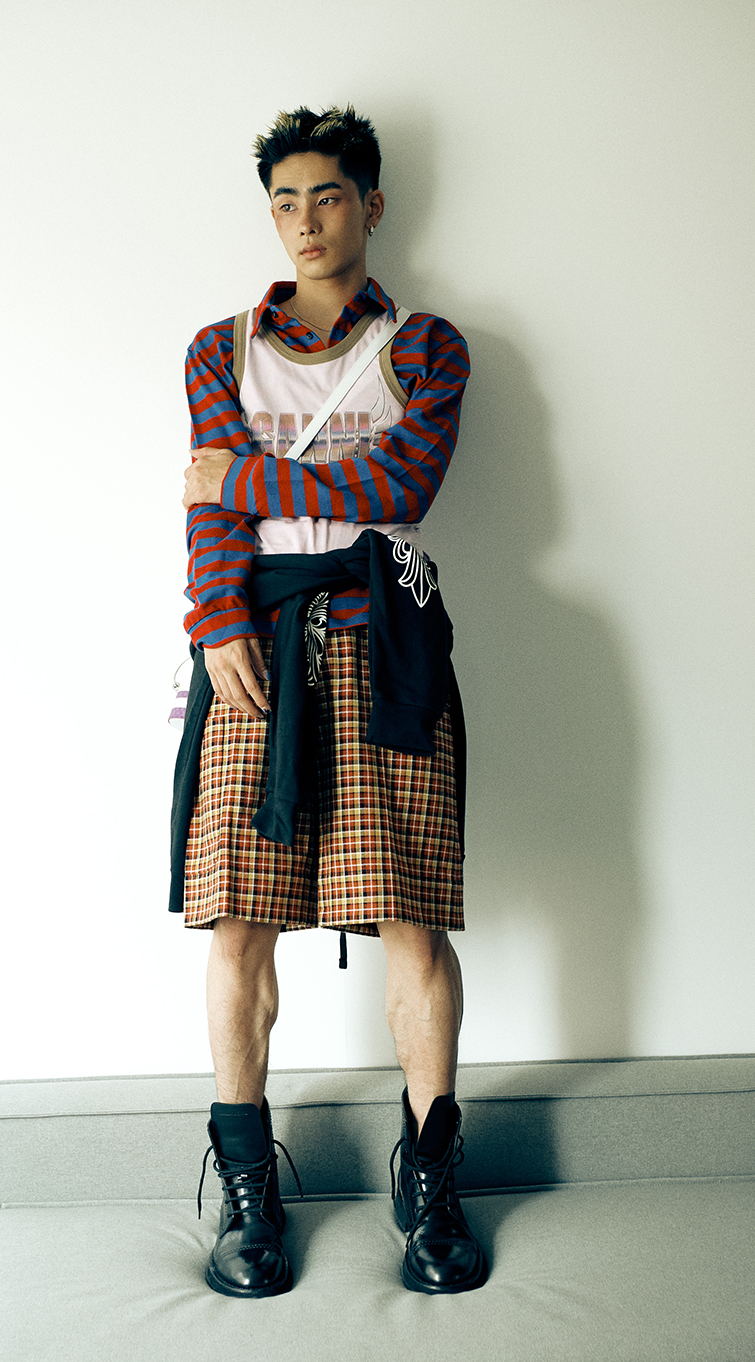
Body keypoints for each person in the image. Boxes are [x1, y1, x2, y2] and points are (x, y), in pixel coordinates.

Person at [173, 106, 487, 1299]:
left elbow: (403, 484)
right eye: (286, 201)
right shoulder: (219, 350)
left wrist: (244, 475)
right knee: (237, 920)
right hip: (256, 645)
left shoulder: (426, 346)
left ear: (372, 205)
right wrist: (215, 624)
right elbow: (212, 520)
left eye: (330, 196)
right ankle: (250, 1192)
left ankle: (433, 1180)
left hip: (386, 640)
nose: (306, 221)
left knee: (412, 916)